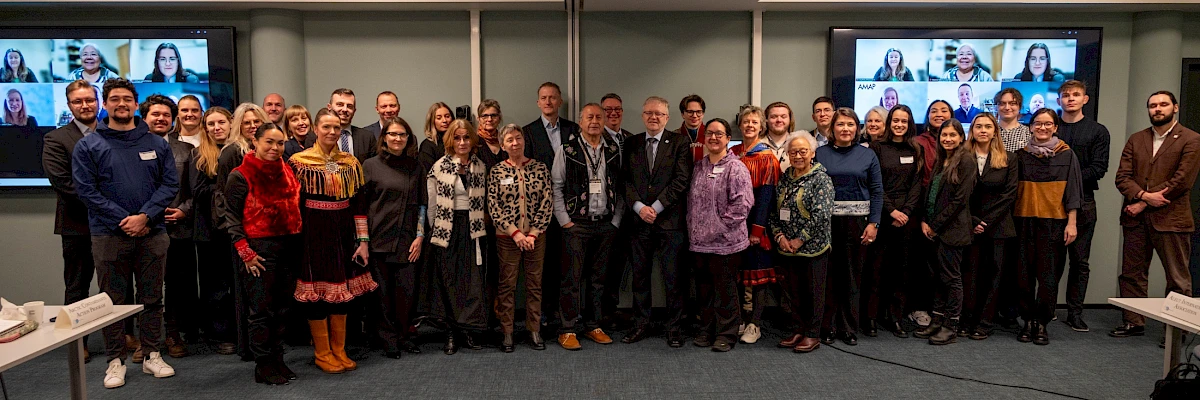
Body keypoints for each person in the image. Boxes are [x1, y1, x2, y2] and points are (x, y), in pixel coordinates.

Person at [72, 78, 178, 389]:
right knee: (113, 301)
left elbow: (169, 185)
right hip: (108, 235)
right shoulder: (89, 145)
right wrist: (125, 220)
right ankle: (115, 360)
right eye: (115, 99)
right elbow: (86, 191)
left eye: (127, 99)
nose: (122, 104)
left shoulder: (156, 143)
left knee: (152, 297)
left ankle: (152, 354)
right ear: (105, 105)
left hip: (153, 231)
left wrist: (144, 216)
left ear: (135, 104)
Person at [289, 108, 378, 373]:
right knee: (317, 294)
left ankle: (339, 349)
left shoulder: (350, 163)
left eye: (336, 128)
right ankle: (322, 353)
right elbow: (292, 204)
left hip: (343, 234)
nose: (331, 132)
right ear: (315, 129)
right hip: (312, 235)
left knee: (343, 293)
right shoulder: (298, 162)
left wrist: (362, 240)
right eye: (326, 127)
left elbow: (359, 204)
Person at [1111, 91, 1200, 339]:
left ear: (1175, 107)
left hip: (1171, 219)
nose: (1157, 109)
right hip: (1135, 219)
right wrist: (1143, 197)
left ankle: (1177, 330)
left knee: (1177, 277)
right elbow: (1122, 177)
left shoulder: (1191, 139)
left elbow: (1182, 181)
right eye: (1152, 105)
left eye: (1163, 104)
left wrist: (1143, 202)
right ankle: (1133, 322)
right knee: (1132, 273)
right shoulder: (1137, 139)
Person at [223, 123, 302, 385]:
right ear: (255, 141)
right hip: (258, 250)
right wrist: (245, 252)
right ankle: (263, 363)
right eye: (269, 142)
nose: (275, 148)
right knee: (261, 310)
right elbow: (231, 217)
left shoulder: (288, 170)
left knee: (283, 308)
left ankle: (278, 358)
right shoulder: (240, 174)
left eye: (280, 143)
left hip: (289, 246)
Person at [622, 96, 694, 347]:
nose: (654, 117)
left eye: (659, 114)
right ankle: (640, 324)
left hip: (670, 222)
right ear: (642, 115)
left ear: (667, 117)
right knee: (639, 278)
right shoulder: (630, 143)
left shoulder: (680, 143)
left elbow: (681, 180)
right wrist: (640, 207)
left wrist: (657, 206)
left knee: (673, 278)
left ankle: (674, 328)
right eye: (649, 113)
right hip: (639, 222)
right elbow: (625, 181)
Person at [553, 104, 623, 350]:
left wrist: (616, 221)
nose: (594, 121)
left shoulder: (614, 150)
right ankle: (568, 328)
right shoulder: (568, 150)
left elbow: (621, 187)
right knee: (571, 279)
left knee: (598, 279)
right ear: (580, 122)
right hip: (576, 225)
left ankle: (594, 324)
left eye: (598, 117)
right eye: (589, 117)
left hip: (605, 223)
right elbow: (556, 186)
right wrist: (565, 222)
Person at [813, 108, 882, 346]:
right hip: (827, 224)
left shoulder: (868, 155)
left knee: (852, 277)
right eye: (840, 124)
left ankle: (849, 327)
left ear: (857, 128)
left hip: (858, 225)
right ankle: (828, 326)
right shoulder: (820, 153)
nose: (845, 129)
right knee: (829, 276)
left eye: (850, 125)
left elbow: (877, 191)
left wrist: (874, 223)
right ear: (832, 128)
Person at [41, 80, 99, 362]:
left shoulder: (114, 133)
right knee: (77, 285)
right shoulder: (56, 139)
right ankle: (79, 343)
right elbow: (63, 183)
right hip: (78, 224)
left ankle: (123, 335)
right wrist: (107, 205)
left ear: (97, 101)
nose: (85, 105)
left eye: (89, 99)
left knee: (119, 285)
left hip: (115, 225)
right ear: (69, 106)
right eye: (78, 101)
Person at [1014, 108, 1081, 346]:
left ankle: (1042, 322)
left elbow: (1073, 191)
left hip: (1053, 222)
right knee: (1023, 276)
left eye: (1048, 124)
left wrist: (1072, 223)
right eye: (1038, 124)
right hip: (1023, 221)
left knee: (1049, 277)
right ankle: (1027, 321)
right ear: (1030, 127)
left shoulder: (1066, 155)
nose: (1042, 128)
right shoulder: (1020, 156)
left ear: (1055, 127)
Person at [361, 116, 425, 358]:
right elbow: (362, 207)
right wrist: (363, 241)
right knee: (382, 297)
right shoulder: (370, 165)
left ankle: (402, 336)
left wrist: (419, 237)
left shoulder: (416, 166)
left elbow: (422, 205)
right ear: (384, 138)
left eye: (402, 134)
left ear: (408, 138)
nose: (398, 138)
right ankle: (387, 340)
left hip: (408, 241)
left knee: (405, 294)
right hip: (378, 240)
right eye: (393, 134)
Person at [688, 117, 753, 352]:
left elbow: (742, 205)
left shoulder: (736, 167)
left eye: (719, 134)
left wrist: (717, 228)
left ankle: (726, 333)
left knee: (725, 291)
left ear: (728, 138)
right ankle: (706, 330)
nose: (714, 138)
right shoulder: (698, 167)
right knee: (704, 290)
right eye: (710, 134)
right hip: (698, 244)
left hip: (726, 244)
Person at [489, 123, 553, 352]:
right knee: (507, 285)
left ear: (524, 140)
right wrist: (515, 233)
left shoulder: (539, 168)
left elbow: (547, 202)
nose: (515, 143)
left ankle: (534, 329)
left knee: (534, 285)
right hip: (507, 238)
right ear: (503, 144)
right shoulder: (497, 171)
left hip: (536, 237)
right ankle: (507, 332)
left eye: (518, 138)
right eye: (509, 140)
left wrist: (533, 233)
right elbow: (494, 207)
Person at [1050, 80, 1109, 332]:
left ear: (1085, 99)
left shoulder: (1097, 131)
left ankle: (1075, 313)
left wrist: (1067, 180)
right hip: (1050, 203)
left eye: (1076, 95)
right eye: (1065, 95)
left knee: (1080, 262)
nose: (1070, 99)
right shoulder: (1050, 128)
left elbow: (1099, 168)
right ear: (1058, 100)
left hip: (1084, 203)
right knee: (1049, 262)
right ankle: (1047, 309)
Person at [141, 94, 196, 358]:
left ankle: (173, 334)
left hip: (178, 229)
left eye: (165, 115)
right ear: (144, 118)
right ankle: (146, 340)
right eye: (155, 114)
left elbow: (197, 189)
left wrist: (184, 210)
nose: (161, 119)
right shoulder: (130, 148)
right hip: (144, 228)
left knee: (177, 285)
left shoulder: (186, 150)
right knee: (145, 286)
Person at [912, 118, 976, 345]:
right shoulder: (942, 160)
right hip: (934, 229)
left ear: (961, 137)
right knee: (938, 277)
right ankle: (937, 320)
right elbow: (932, 196)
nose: (947, 139)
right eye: (944, 135)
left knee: (952, 279)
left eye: (952, 135)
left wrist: (935, 225)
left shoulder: (966, 160)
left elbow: (959, 200)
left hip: (952, 231)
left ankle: (951, 325)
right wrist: (924, 221)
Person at [523, 82, 578, 330]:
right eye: (543, 97)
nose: (548, 102)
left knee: (568, 262)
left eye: (552, 98)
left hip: (572, 207)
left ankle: (565, 310)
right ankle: (544, 311)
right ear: (538, 102)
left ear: (559, 102)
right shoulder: (528, 132)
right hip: (541, 209)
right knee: (543, 264)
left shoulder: (573, 129)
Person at [772, 133, 835, 353]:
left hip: (813, 248)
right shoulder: (785, 177)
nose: (798, 156)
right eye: (793, 152)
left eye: (803, 151)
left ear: (812, 153)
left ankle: (812, 334)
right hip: (787, 247)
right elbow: (775, 211)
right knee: (793, 292)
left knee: (814, 293)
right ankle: (798, 329)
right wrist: (780, 237)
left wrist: (799, 240)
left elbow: (822, 215)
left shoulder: (821, 179)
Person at [865, 104, 922, 339]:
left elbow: (917, 184)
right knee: (876, 268)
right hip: (883, 214)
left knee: (901, 270)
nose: (899, 125)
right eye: (895, 120)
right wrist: (892, 211)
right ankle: (870, 317)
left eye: (904, 121)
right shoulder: (877, 148)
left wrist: (906, 211)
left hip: (907, 218)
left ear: (909, 124)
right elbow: (874, 184)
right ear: (889, 123)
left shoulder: (916, 149)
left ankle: (895, 317)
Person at [961, 113, 1017, 340]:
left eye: (987, 126)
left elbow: (1010, 193)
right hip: (968, 224)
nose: (983, 130)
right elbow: (957, 193)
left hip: (999, 226)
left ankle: (985, 322)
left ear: (995, 131)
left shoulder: (1009, 158)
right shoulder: (962, 157)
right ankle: (967, 319)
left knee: (994, 276)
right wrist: (973, 221)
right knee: (970, 274)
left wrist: (986, 221)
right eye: (978, 126)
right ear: (972, 130)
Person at [189, 106, 238, 355]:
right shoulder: (198, 155)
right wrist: (227, 186)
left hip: (235, 231)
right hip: (209, 233)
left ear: (231, 124)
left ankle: (239, 331)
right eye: (211, 124)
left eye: (221, 122)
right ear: (205, 128)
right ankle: (219, 334)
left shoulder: (238, 151)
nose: (216, 128)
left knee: (236, 285)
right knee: (215, 288)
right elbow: (197, 191)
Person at [728, 106, 779, 344]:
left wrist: (757, 229)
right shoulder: (732, 153)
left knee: (758, 275)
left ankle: (755, 323)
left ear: (761, 127)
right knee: (737, 274)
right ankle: (739, 319)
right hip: (732, 224)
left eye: (754, 122)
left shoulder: (767, 157)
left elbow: (767, 196)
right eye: (746, 121)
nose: (749, 125)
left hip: (756, 224)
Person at [908, 100, 951, 329]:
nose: (939, 114)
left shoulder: (958, 144)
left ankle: (943, 309)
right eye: (934, 110)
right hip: (921, 209)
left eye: (944, 110)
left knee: (945, 265)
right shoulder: (918, 142)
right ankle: (919, 307)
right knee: (922, 263)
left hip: (948, 211)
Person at [599, 93, 634, 328]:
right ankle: (601, 314)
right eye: (608, 110)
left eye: (617, 109)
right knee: (602, 267)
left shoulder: (631, 139)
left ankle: (613, 310)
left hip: (630, 212)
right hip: (605, 213)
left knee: (621, 264)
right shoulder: (594, 139)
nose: (613, 113)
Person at [327, 88, 378, 163]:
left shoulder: (367, 138)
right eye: (340, 105)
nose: (345, 109)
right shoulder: (317, 137)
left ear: (354, 111)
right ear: (329, 107)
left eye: (349, 106)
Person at [762, 102, 809, 170]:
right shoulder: (757, 144)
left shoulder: (800, 144)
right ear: (766, 120)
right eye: (774, 117)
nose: (779, 120)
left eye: (783, 117)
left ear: (790, 120)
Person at [418, 102, 454, 175]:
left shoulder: (459, 141)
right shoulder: (427, 145)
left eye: (447, 116)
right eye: (439, 118)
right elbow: (427, 174)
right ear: (432, 121)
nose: (444, 120)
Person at [475, 99, 508, 169]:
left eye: (493, 115)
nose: (489, 119)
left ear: (499, 118)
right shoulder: (474, 142)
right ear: (478, 119)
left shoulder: (505, 140)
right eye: (485, 116)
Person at [995, 88, 1031, 153]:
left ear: (1019, 107)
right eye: (1002, 103)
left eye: (1012, 103)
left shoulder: (1028, 133)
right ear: (996, 107)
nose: (1007, 108)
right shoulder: (990, 132)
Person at [677, 94, 707, 162]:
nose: (694, 116)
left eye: (699, 112)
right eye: (690, 112)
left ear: (703, 114)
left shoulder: (711, 136)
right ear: (682, 114)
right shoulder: (674, 136)